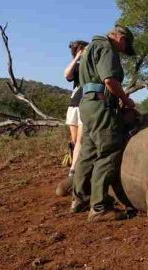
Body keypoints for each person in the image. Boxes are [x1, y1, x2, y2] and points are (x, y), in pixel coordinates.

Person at [71, 24, 136, 222]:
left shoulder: (90, 47)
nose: (123, 52)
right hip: (101, 106)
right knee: (108, 151)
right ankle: (99, 208)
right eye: (125, 48)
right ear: (121, 39)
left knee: (87, 152)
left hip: (87, 105)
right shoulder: (107, 48)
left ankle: (80, 198)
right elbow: (109, 80)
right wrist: (127, 101)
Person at [56, 40, 88, 197]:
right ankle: (77, 165)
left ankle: (73, 171)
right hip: (74, 105)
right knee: (75, 141)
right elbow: (66, 74)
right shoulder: (76, 66)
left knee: (81, 141)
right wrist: (76, 58)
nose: (82, 51)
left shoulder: (91, 64)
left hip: (86, 105)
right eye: (79, 49)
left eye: (83, 48)